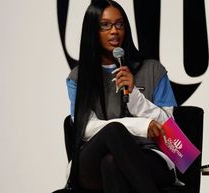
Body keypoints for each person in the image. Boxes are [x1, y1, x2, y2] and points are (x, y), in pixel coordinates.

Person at [66, 0, 179, 193]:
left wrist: (135, 95)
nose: (114, 31)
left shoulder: (152, 69)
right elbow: (85, 128)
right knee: (113, 132)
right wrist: (140, 126)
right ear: (92, 30)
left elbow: (169, 127)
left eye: (119, 24)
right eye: (105, 25)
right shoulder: (79, 77)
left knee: (111, 164)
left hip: (149, 157)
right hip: (92, 163)